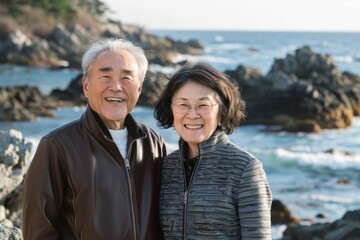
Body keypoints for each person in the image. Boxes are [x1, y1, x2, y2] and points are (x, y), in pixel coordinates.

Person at [22, 38, 168, 240]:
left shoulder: (153, 143)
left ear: (139, 88)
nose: (116, 86)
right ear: (86, 86)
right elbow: (37, 231)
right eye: (105, 76)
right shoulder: (56, 146)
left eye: (126, 78)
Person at [154, 62, 272, 239]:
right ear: (172, 110)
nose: (192, 114)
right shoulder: (165, 167)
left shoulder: (246, 169)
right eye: (183, 105)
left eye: (203, 105)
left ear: (222, 112)